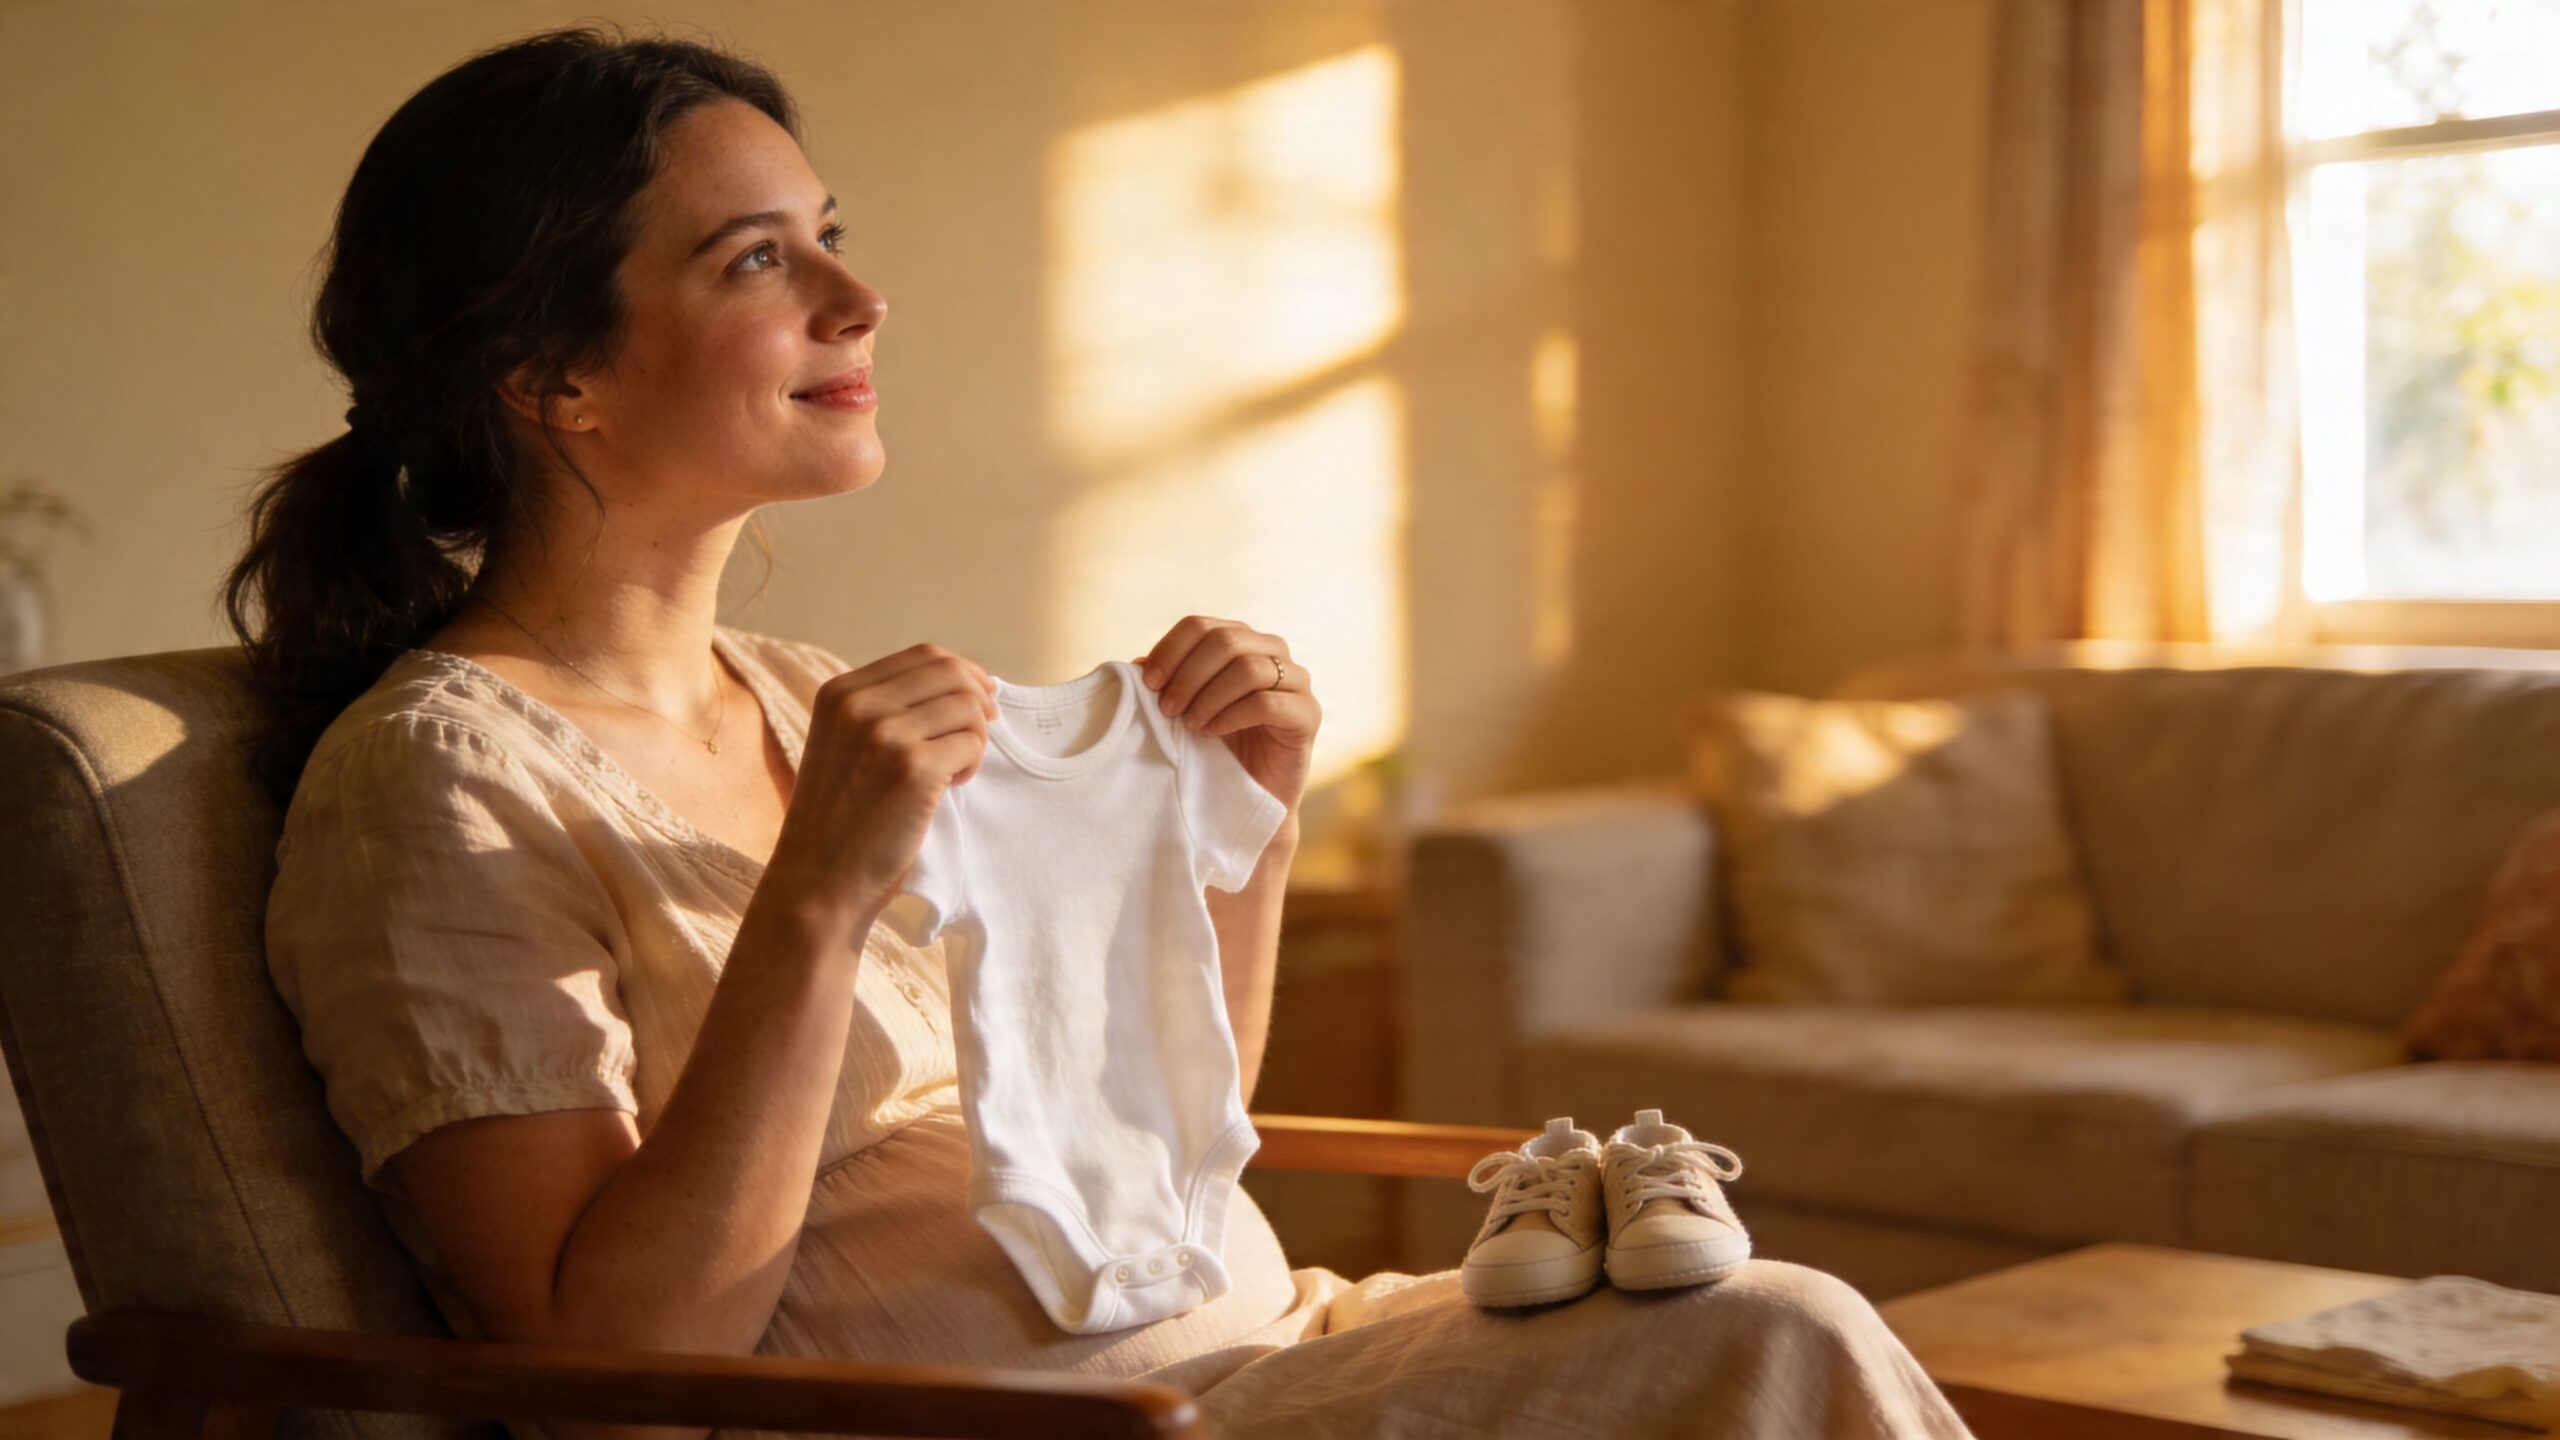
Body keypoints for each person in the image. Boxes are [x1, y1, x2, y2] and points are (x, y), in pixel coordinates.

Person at [225, 24, 1976, 1440]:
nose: (856, 296)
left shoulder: (792, 691)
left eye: (831, 232)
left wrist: (1247, 828)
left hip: (1254, 1354)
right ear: (553, 376)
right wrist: (818, 899)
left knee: (1765, 1320)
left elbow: (1151, 1116)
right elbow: (613, 1379)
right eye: (759, 259)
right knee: (1774, 1337)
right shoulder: (431, 785)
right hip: (1055, 1427)